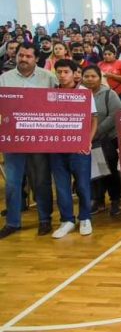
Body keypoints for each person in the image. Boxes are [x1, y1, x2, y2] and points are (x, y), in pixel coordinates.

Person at [0, 41, 59, 236]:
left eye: (28, 56)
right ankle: (13, 222)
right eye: (21, 55)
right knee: (12, 182)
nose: (24, 59)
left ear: (36, 59)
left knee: (41, 180)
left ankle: (44, 219)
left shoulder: (49, 79)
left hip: (39, 138)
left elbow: (59, 106)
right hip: (13, 139)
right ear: (15, 56)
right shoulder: (4, 79)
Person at [49, 59, 98, 238]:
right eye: (59, 72)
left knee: (83, 184)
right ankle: (67, 220)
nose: (62, 75)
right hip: (56, 147)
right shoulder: (52, 92)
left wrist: (88, 141)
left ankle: (85, 217)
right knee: (62, 186)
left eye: (66, 72)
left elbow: (94, 119)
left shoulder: (84, 92)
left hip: (79, 146)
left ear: (74, 73)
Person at [82, 65, 121, 217]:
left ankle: (115, 199)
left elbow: (115, 115)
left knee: (110, 170)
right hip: (87, 141)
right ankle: (98, 200)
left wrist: (96, 132)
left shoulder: (109, 94)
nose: (90, 79)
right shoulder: (79, 94)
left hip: (107, 140)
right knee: (94, 172)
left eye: (93, 76)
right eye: (86, 76)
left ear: (100, 77)